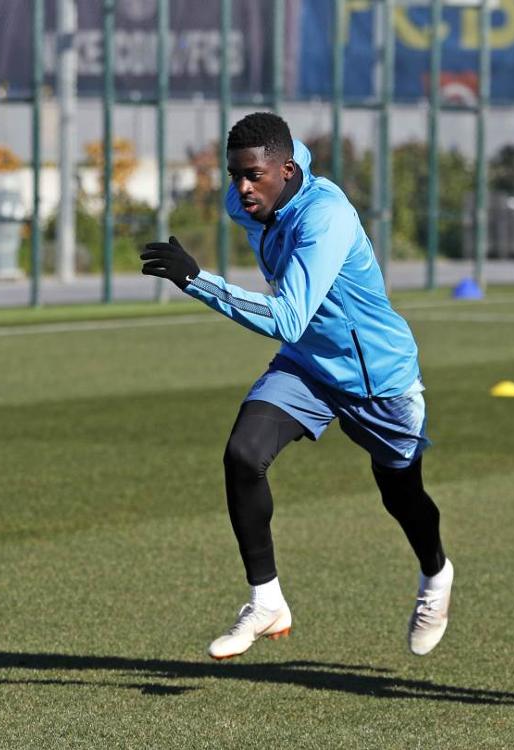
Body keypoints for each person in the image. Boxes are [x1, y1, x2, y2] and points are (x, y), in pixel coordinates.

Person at [140, 112, 453, 661]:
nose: (242, 189)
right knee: (243, 454)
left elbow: (288, 317)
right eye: (235, 174)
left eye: (253, 176)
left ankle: (436, 573)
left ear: (286, 171)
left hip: (376, 376)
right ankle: (266, 601)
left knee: (401, 496)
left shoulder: (325, 217)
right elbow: (296, 328)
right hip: (308, 366)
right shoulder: (251, 196)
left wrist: (195, 279)